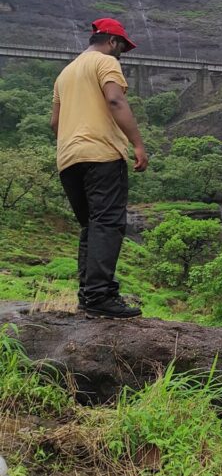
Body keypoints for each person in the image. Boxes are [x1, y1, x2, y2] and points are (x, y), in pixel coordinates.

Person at [50, 18, 149, 318]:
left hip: (68, 159)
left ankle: (89, 293)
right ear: (112, 42)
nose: (122, 54)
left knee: (91, 226)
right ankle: (99, 296)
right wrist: (138, 144)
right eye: (122, 48)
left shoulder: (65, 74)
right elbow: (115, 100)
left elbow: (55, 123)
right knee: (107, 223)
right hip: (102, 155)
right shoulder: (105, 62)